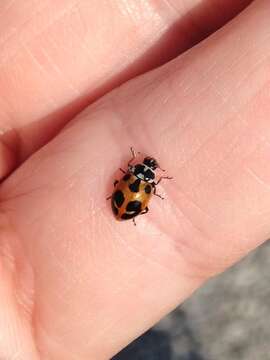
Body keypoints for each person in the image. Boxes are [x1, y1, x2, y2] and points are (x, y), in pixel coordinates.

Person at [0, 0, 268, 359]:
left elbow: (132, 188)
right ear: (145, 174)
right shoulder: (141, 182)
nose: (141, 172)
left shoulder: (135, 179)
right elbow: (136, 190)